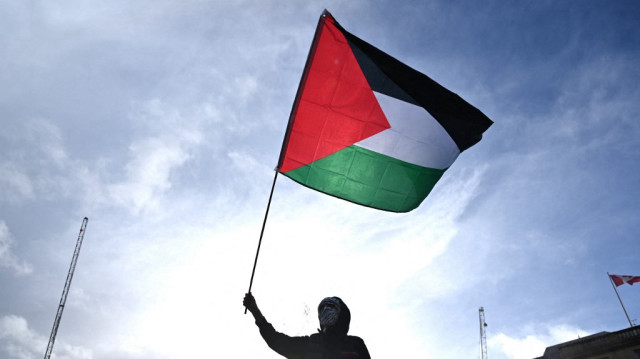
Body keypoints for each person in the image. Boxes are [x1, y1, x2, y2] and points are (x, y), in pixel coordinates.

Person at [243, 292, 371, 359]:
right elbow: (276, 341)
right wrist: (255, 311)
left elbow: (276, 341)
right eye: (323, 309)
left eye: (331, 307)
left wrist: (255, 312)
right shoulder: (311, 344)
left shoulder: (356, 344)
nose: (326, 311)